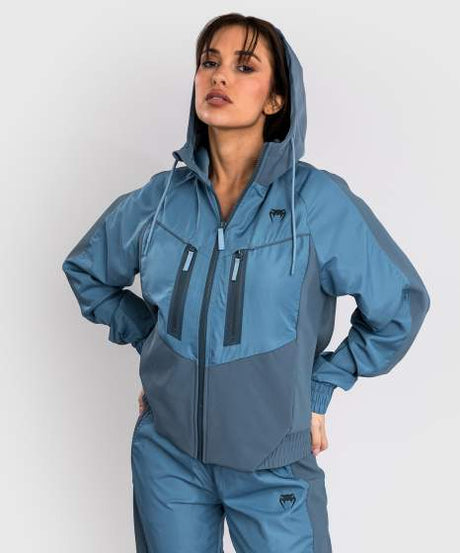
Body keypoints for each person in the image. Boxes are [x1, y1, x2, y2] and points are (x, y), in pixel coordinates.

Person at [61, 13, 431, 553]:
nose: (219, 76)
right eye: (209, 62)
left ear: (276, 99)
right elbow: (87, 271)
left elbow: (400, 304)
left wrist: (321, 387)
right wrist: (155, 345)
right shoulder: (160, 200)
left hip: (273, 465)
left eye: (244, 66)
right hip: (168, 458)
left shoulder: (316, 204)